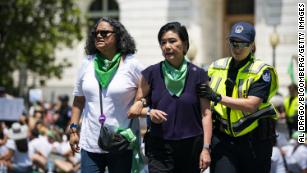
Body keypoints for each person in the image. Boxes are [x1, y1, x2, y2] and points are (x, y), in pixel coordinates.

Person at [128, 22, 212, 173]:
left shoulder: (199, 74)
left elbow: (206, 114)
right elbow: (135, 109)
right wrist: (149, 112)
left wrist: (206, 148)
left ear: (185, 44)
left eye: (172, 41)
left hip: (192, 147)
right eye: (163, 42)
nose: (167, 46)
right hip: (159, 147)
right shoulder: (150, 74)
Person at [197, 22, 279, 173]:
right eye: (233, 42)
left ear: (252, 45)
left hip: (254, 142)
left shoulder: (261, 71)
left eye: (242, 44)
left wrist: (217, 97)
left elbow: (251, 105)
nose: (237, 48)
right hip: (223, 139)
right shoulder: (216, 66)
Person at [68, 17, 143, 173]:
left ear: (118, 36)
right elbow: (78, 101)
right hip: (90, 143)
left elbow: (148, 91)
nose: (99, 36)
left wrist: (140, 102)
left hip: (121, 142)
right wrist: (74, 130)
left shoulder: (131, 64)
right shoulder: (87, 63)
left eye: (104, 33)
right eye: (96, 33)